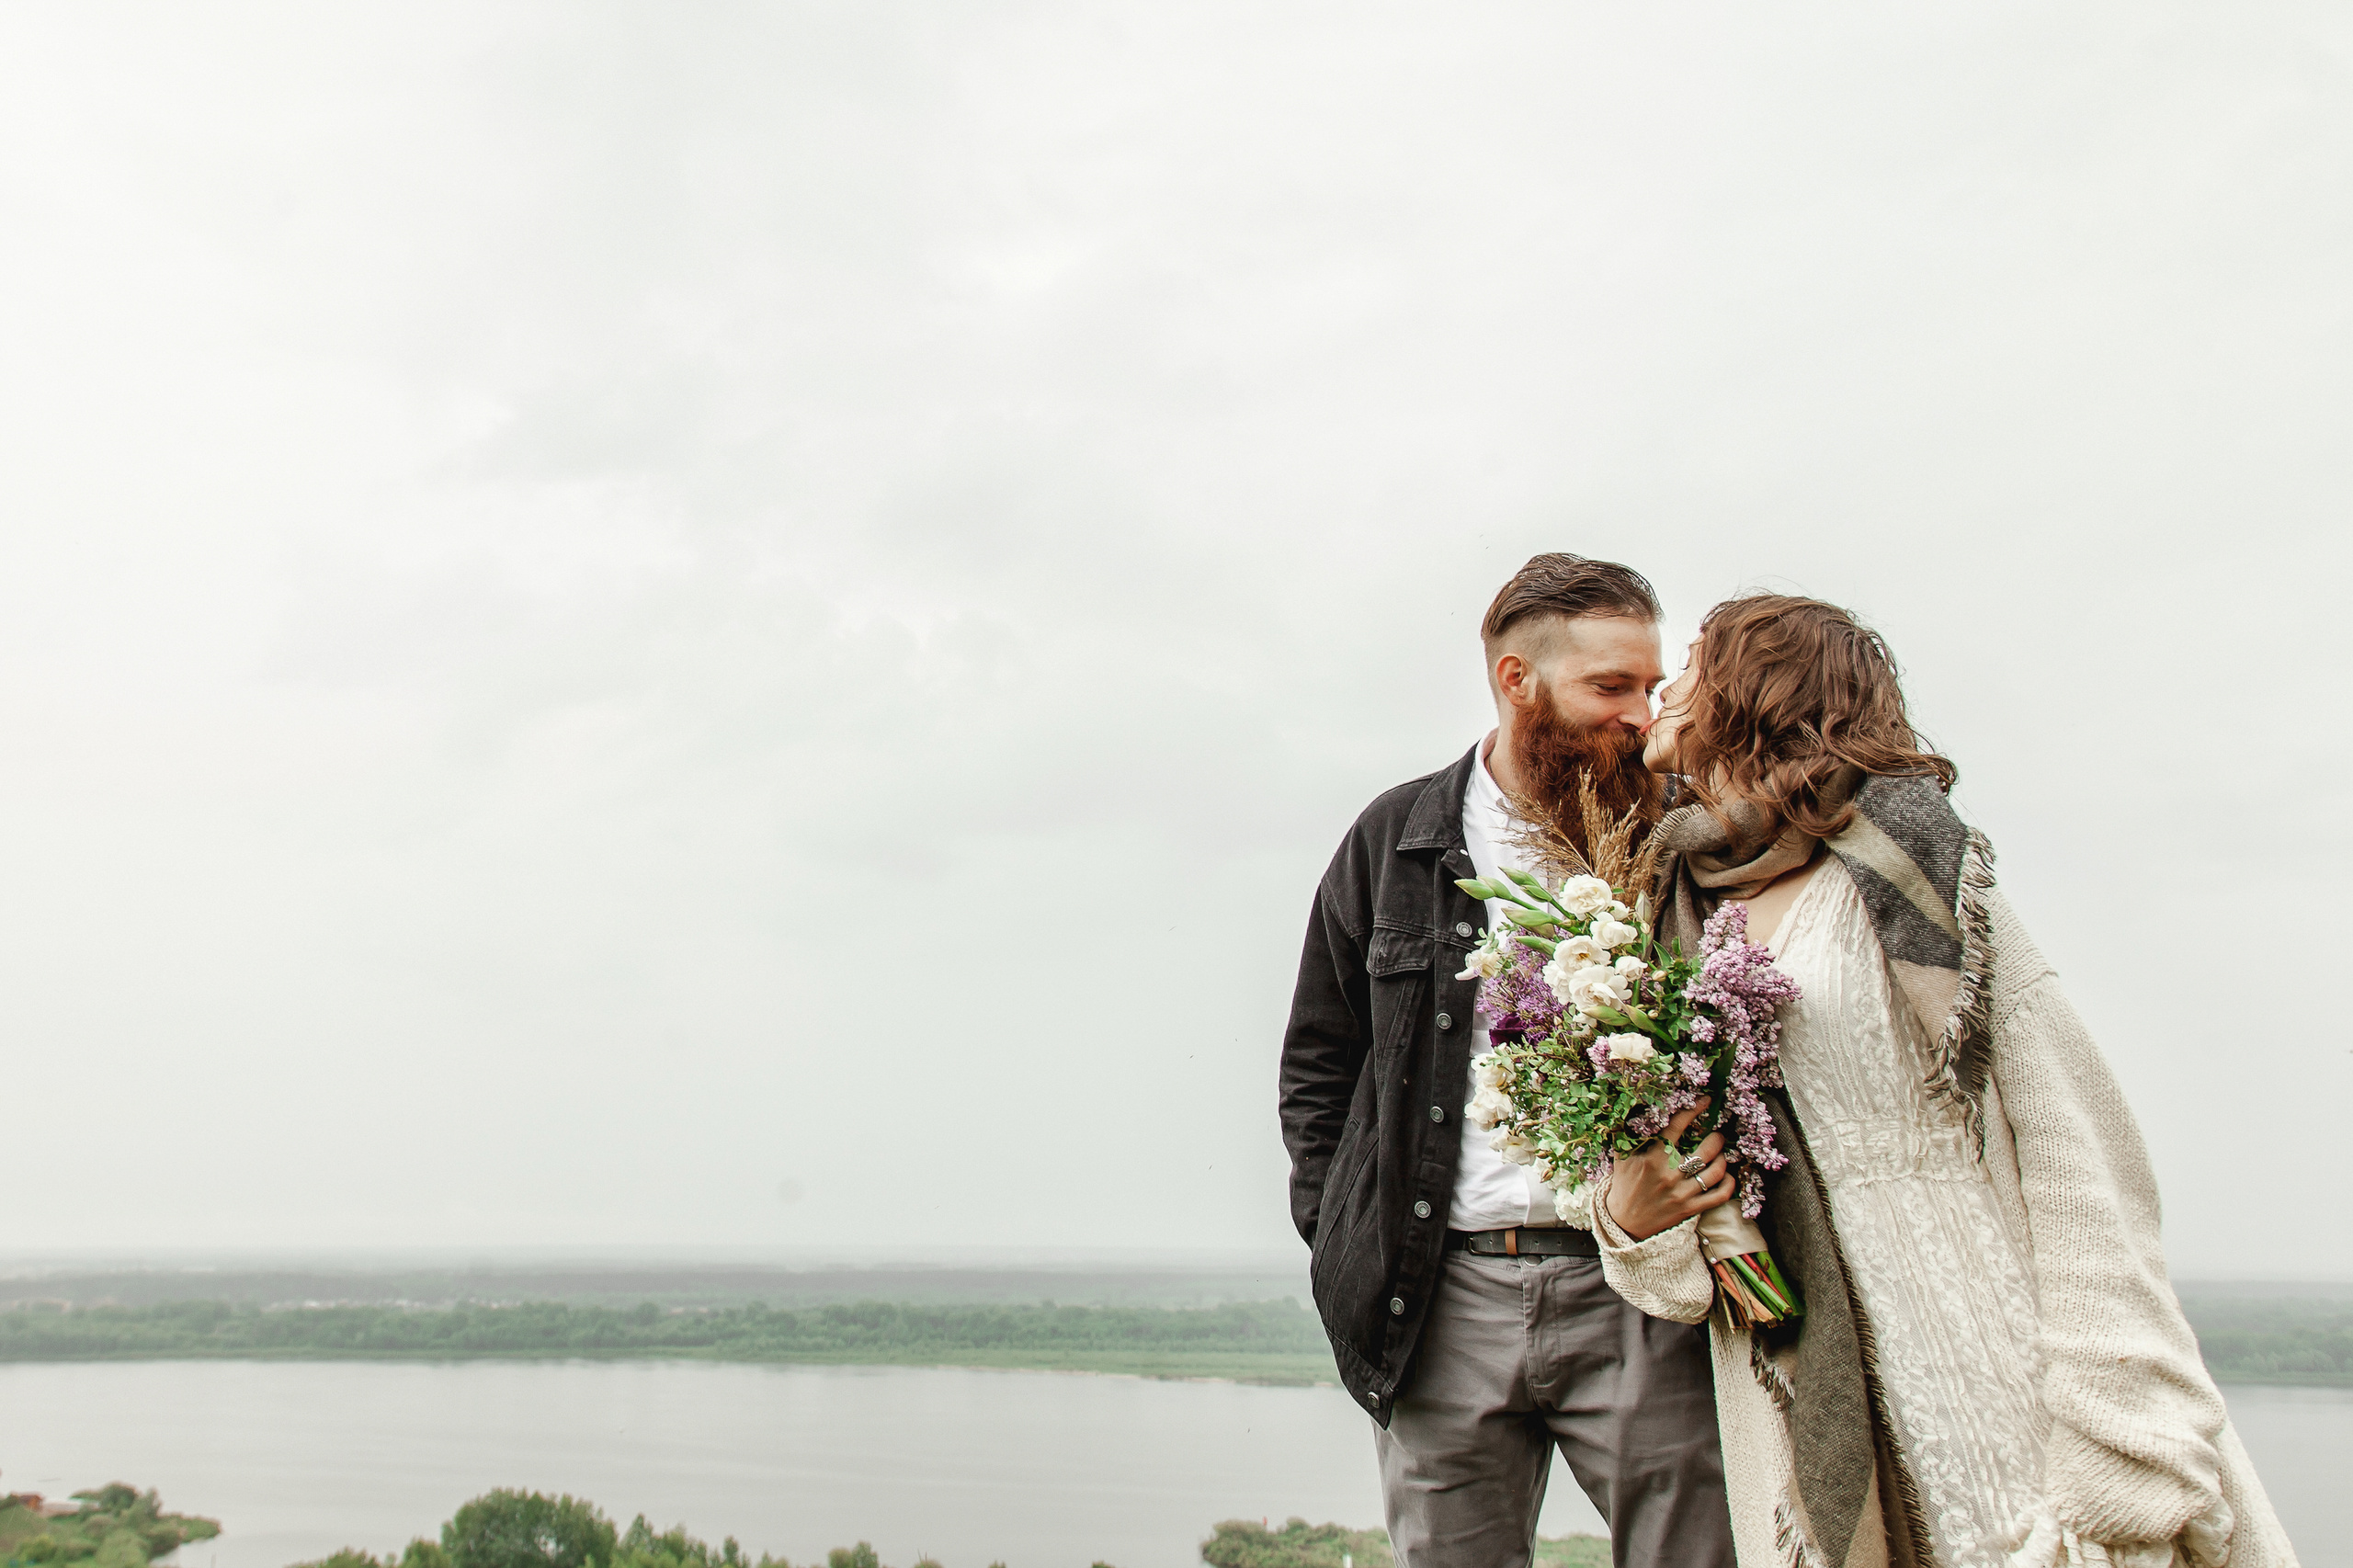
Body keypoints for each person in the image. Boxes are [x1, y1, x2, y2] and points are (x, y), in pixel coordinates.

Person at [1596, 594, 2297, 1568]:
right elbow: (1678, 1258)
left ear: (1763, 689)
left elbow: (2076, 1145)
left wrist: (2112, 1441)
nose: (1668, 683)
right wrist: (1631, 1221)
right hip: (1830, 1377)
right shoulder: (1659, 911)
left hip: (2002, 1336)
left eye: (1697, 661)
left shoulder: (1909, 860)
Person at [1279, 553, 1738, 1568]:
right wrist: (1339, 1233)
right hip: (1440, 1299)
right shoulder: (1394, 839)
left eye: (1650, 686)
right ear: (1515, 679)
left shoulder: (1678, 832)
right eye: (1609, 685)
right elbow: (1319, 1063)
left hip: (1647, 1292)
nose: (1639, 712)